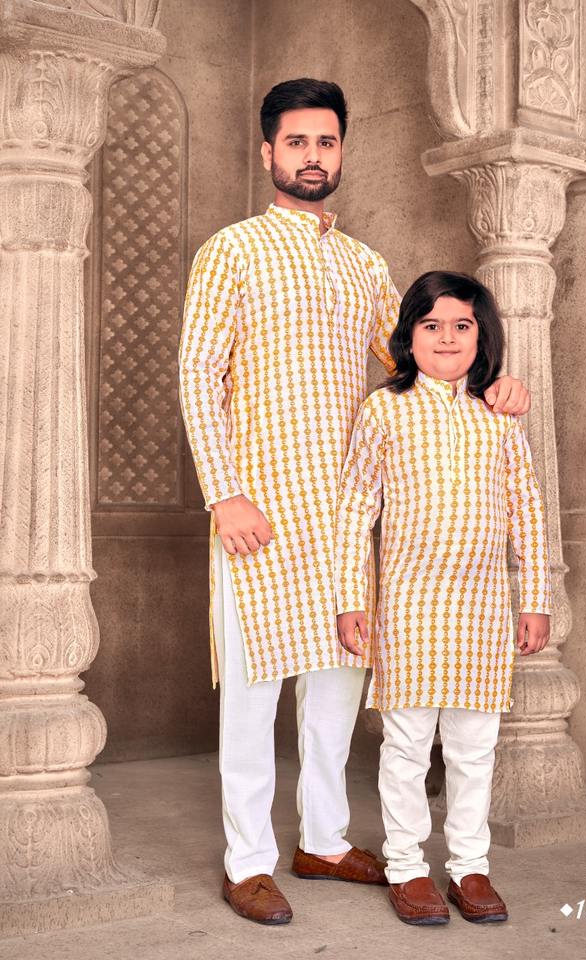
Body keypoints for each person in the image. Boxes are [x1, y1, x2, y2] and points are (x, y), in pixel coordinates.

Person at [179, 79, 531, 926]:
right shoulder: (232, 250)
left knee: (336, 689)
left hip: (344, 516)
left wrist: (492, 384)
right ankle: (247, 861)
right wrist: (225, 495)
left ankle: (325, 840)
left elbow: (414, 359)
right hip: (259, 510)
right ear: (268, 152)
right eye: (297, 142)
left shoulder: (365, 264)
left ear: (341, 152)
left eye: (327, 142)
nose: (313, 157)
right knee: (255, 693)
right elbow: (197, 374)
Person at [336, 270, 551, 926]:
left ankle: (469, 866)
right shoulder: (384, 410)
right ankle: (406, 866)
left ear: (482, 336)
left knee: (473, 747)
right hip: (408, 605)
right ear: (409, 336)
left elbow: (526, 510)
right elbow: (356, 509)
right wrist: (351, 598)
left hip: (482, 610)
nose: (448, 337)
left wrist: (535, 599)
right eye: (432, 325)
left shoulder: (498, 416)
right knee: (405, 745)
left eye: (462, 325)